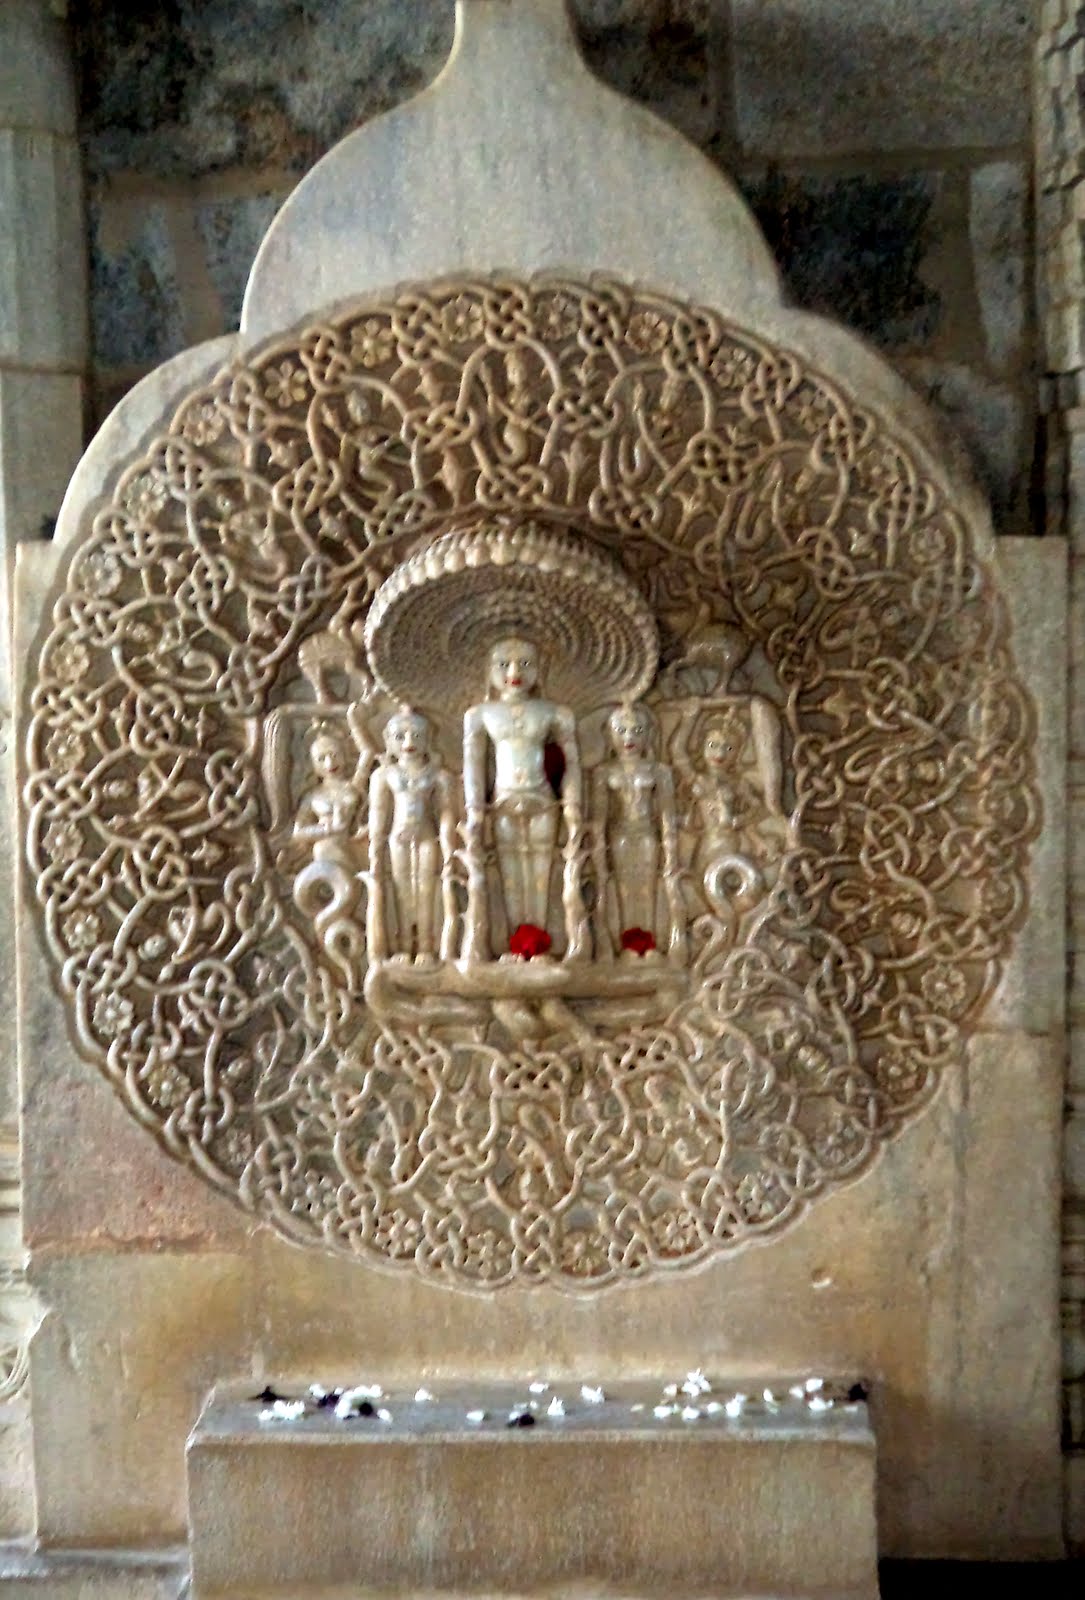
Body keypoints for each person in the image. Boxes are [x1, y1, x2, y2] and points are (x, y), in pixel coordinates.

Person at [462, 636, 585, 963]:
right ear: (490, 671)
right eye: (504, 665)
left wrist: (572, 806)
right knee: (511, 873)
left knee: (542, 868)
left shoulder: (555, 713)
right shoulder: (480, 715)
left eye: (525, 664)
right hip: (503, 800)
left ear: (539, 669)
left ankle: (540, 943)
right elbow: (473, 765)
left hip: (542, 797)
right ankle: (516, 944)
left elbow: (571, 763)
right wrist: (475, 809)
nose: (514, 672)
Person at [591, 702, 683, 960]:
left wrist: (671, 852)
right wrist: (598, 854)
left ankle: (649, 941)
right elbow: (599, 818)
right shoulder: (604, 772)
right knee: (623, 889)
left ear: (648, 734)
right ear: (611, 735)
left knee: (648, 888)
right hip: (619, 835)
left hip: (647, 834)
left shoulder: (659, 771)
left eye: (637, 731)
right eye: (622, 731)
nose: (629, 738)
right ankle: (625, 942)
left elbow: (667, 815)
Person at [367, 707, 456, 964]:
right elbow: (378, 812)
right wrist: (375, 845)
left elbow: (446, 814)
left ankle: (427, 946)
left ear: (428, 740)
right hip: (398, 838)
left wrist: (449, 849)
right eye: (401, 736)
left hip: (427, 837)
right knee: (401, 889)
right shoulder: (384, 775)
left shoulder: (438, 775)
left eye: (416, 736)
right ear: (388, 740)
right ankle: (403, 945)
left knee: (427, 890)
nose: (409, 743)